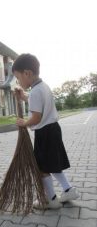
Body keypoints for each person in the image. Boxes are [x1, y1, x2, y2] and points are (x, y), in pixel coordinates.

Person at [12, 53, 79, 209]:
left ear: (27, 73)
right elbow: (37, 101)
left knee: (41, 167)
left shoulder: (36, 91)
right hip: (54, 130)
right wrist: (24, 97)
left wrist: (24, 123)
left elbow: (36, 117)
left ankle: (50, 199)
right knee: (53, 164)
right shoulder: (43, 87)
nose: (19, 82)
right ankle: (69, 190)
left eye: (18, 77)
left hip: (44, 133)